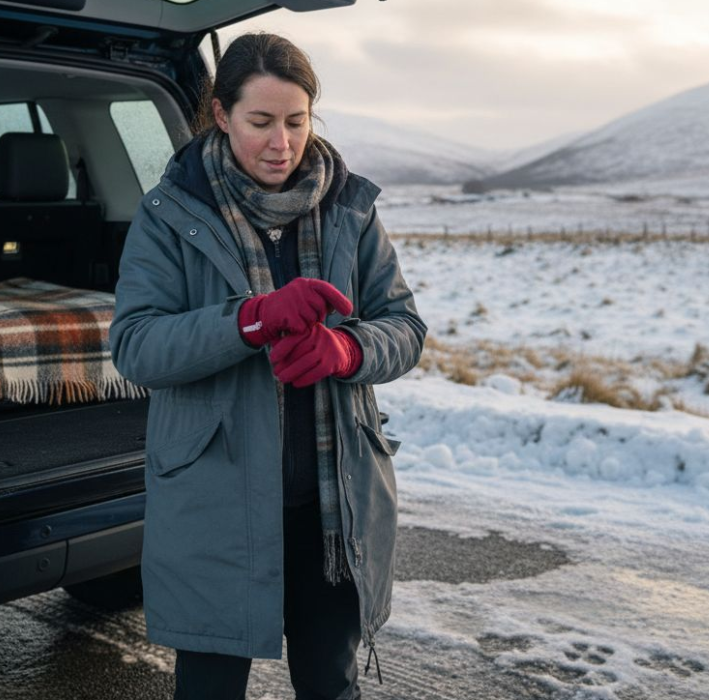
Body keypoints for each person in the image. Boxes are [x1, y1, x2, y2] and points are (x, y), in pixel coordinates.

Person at [109, 32, 426, 700]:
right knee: (210, 690)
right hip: (216, 507)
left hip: (331, 508)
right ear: (221, 116)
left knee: (330, 686)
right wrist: (247, 321)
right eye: (260, 122)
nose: (281, 142)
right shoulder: (172, 216)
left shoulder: (350, 211)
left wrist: (351, 349)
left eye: (295, 121)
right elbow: (137, 346)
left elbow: (405, 328)